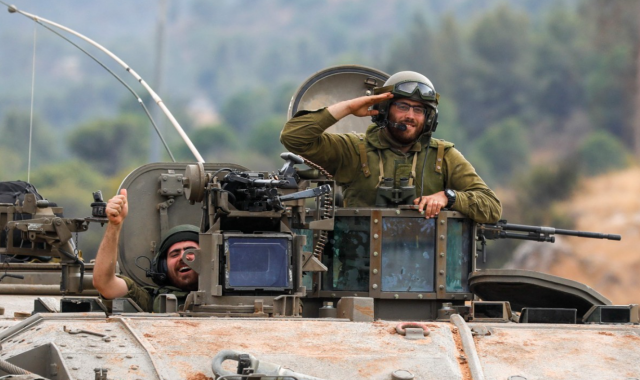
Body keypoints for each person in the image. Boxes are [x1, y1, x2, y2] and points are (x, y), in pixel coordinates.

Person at [280, 70, 501, 224]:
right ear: (385, 109)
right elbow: (294, 137)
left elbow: (491, 207)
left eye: (419, 110)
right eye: (402, 107)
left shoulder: (443, 156)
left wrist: (448, 197)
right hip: (358, 272)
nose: (410, 116)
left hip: (425, 274)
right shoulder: (353, 150)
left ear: (429, 118)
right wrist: (348, 107)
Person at [92, 189, 200, 312]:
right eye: (174, 254)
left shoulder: (226, 295)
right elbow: (105, 283)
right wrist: (115, 225)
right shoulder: (151, 300)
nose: (183, 257)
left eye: (190, 251)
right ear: (163, 266)